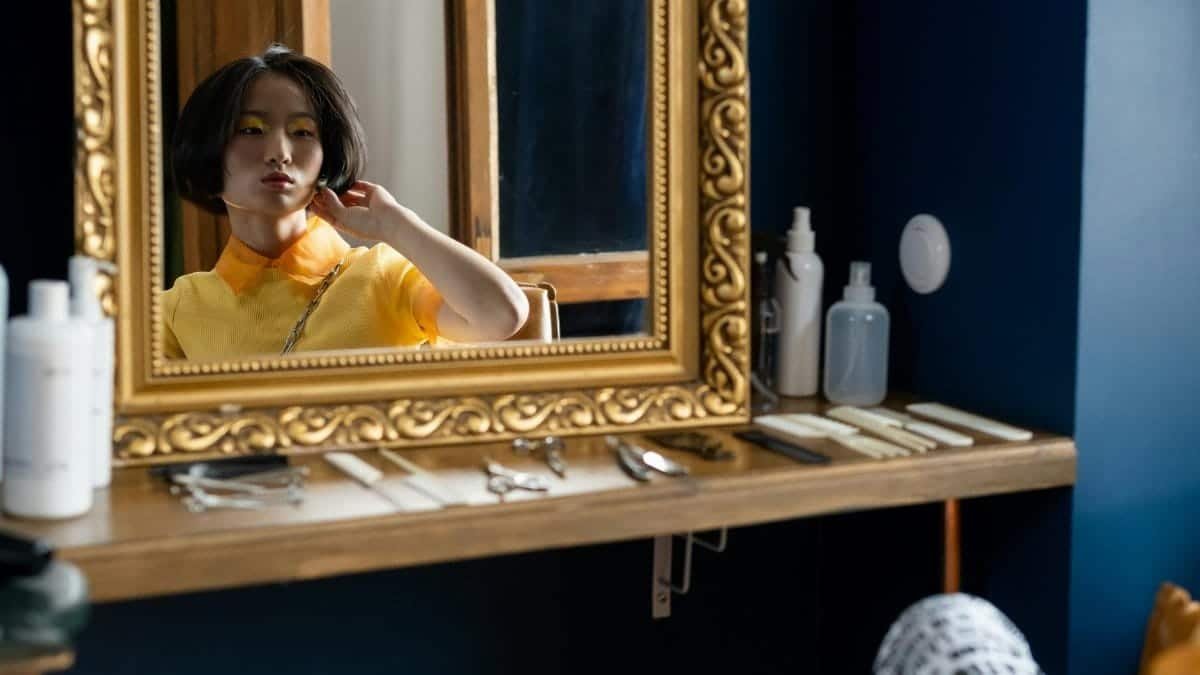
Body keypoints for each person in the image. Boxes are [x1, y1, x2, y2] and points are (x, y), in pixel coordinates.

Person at [163, 43, 528, 360]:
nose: (279, 152)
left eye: (302, 132)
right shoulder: (178, 309)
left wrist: (397, 226)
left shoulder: (383, 277)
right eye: (251, 130)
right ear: (207, 150)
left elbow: (502, 317)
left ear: (328, 155)